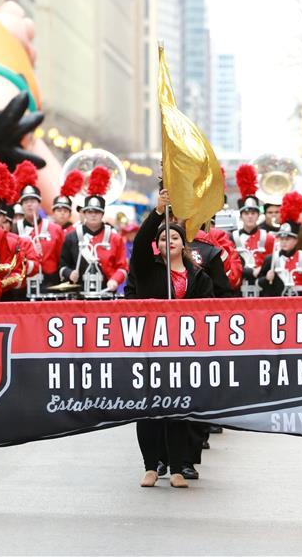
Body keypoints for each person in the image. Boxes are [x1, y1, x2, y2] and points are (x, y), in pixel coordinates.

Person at [130, 189, 214, 489]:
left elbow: (209, 311)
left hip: (184, 351)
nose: (169, 242)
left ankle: (178, 467)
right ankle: (151, 466)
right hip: (150, 348)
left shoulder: (198, 277)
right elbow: (140, 245)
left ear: (183, 243)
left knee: (178, 408)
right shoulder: (146, 269)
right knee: (148, 409)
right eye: (163, 238)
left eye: (174, 238)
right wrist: (157, 213)